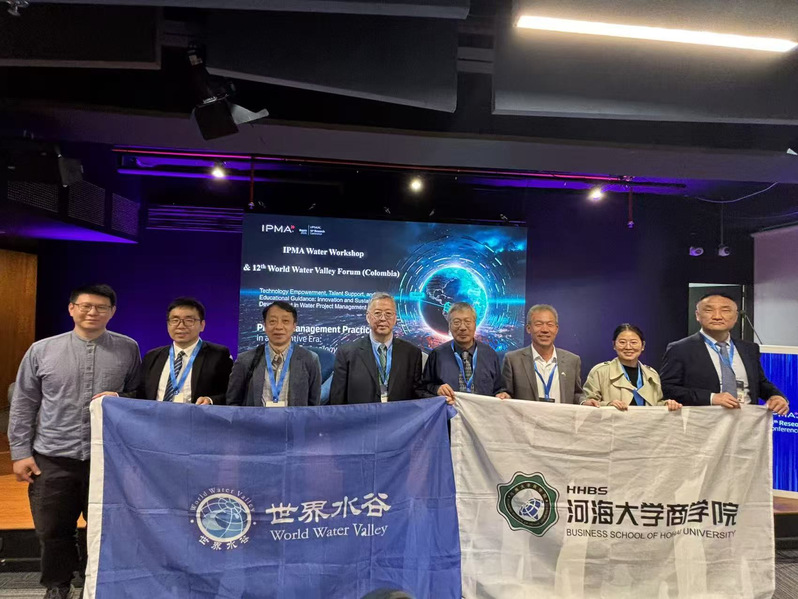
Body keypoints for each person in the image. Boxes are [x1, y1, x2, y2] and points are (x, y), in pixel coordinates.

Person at [8, 284, 140, 599]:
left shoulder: (128, 349)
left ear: (112, 312)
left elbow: (139, 394)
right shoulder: (41, 350)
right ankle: (58, 585)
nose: (92, 312)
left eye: (101, 307)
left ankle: (95, 585)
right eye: (85, 306)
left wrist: (121, 396)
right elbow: (24, 403)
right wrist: (20, 453)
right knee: (52, 530)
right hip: (52, 457)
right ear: (71, 309)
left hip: (106, 459)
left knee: (104, 529)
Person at [659, 293, 789, 414]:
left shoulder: (749, 348)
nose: (717, 316)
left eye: (725, 310)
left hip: (746, 421)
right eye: (709, 310)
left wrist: (776, 396)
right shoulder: (680, 349)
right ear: (698, 315)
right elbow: (667, 388)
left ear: (736, 317)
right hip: (705, 422)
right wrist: (711, 398)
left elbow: (760, 383)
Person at [330, 292, 426, 404]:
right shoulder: (347, 353)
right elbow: (337, 399)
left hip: (399, 415)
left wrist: (440, 396)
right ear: (368, 317)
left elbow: (419, 393)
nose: (383, 318)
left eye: (388, 314)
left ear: (395, 318)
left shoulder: (412, 353)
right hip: (362, 414)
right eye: (377, 313)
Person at [137, 297, 233, 405]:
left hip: (195, 415)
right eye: (175, 320)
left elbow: (231, 394)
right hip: (156, 415)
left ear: (202, 325)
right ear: (168, 324)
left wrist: (210, 400)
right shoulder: (152, 356)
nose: (181, 326)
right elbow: (140, 393)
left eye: (189, 321)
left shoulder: (218, 355)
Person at [226, 301, 321, 407]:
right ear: (264, 325)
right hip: (255, 418)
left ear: (294, 326)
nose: (279, 327)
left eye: (285, 321)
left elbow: (314, 406)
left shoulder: (310, 359)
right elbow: (232, 403)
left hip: (295, 418)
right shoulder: (245, 360)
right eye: (272, 321)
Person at [421, 302, 510, 403]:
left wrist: (502, 394)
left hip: (482, 411)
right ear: (449, 326)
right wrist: (437, 390)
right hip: (449, 411)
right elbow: (424, 388)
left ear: (475, 325)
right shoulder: (437, 355)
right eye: (456, 322)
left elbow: (499, 388)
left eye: (467, 322)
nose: (462, 327)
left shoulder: (489, 354)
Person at [582, 324, 681, 411]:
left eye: (633, 342)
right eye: (622, 342)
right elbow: (588, 404)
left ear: (643, 345)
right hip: (612, 425)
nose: (628, 347)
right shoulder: (600, 372)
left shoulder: (652, 374)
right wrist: (608, 405)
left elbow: (656, 405)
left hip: (645, 426)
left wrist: (667, 404)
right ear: (614, 345)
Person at [501, 304, 584, 403]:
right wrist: (504, 396)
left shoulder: (572, 361)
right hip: (527, 413)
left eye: (550, 324)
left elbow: (576, 394)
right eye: (538, 324)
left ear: (556, 329)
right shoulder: (513, 360)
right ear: (528, 328)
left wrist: (584, 401)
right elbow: (506, 393)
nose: (545, 330)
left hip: (561, 413)